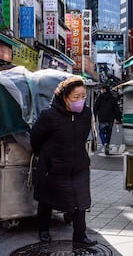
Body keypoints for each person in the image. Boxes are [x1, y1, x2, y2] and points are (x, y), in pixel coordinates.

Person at [30, 77, 97, 246]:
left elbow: (83, 137)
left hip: (79, 165)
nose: (80, 100)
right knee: (47, 199)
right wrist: (46, 156)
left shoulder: (86, 113)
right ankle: (44, 230)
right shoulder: (49, 115)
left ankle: (80, 235)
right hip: (54, 166)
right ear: (64, 96)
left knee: (80, 202)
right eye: (76, 97)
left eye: (83, 96)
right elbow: (35, 138)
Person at [93, 84, 121, 155]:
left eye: (102, 89)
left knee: (101, 132)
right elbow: (116, 109)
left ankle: (104, 143)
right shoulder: (112, 99)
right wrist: (118, 118)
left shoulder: (99, 98)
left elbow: (95, 108)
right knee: (109, 133)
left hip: (102, 118)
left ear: (104, 90)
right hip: (110, 119)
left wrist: (94, 117)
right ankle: (107, 144)